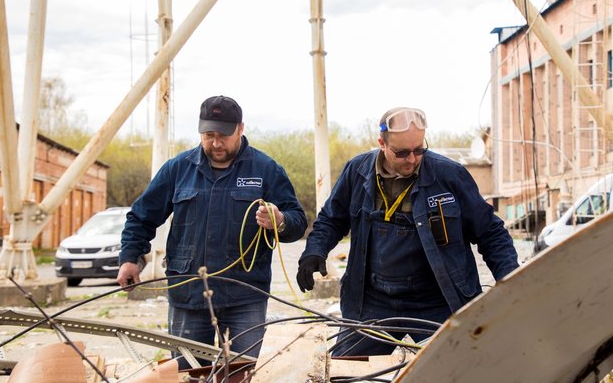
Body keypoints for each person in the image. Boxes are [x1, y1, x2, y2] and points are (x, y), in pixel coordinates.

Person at [297, 106, 518, 356]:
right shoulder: (357, 172)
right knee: (345, 373)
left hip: (438, 300)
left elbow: (490, 232)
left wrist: (510, 278)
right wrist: (314, 250)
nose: (412, 159)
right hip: (373, 301)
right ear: (382, 143)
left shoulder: (449, 175)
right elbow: (331, 219)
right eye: (401, 153)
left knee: (462, 370)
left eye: (419, 150)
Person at [118, 95, 307, 361]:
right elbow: (141, 217)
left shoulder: (266, 170)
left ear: (241, 129)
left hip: (246, 296)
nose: (216, 143)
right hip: (189, 295)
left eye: (224, 135)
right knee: (188, 379)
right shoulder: (177, 169)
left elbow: (298, 220)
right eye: (209, 135)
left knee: (244, 379)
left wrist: (280, 221)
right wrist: (129, 258)